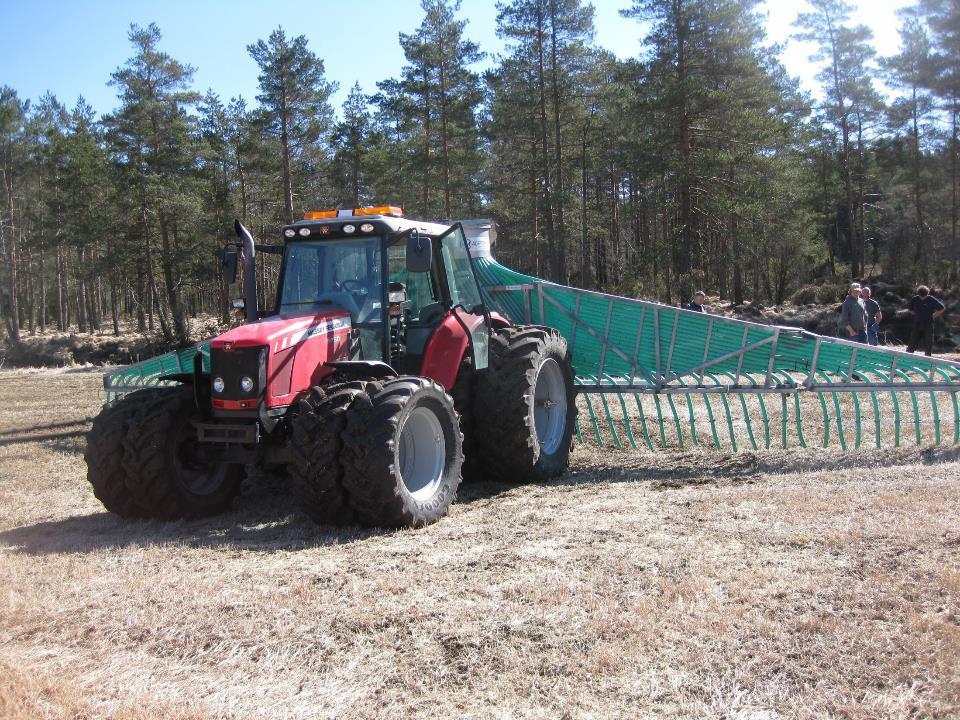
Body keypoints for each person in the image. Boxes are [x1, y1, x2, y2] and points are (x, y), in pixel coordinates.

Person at [906, 285, 945, 356]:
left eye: (924, 296)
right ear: (918, 293)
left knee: (928, 343)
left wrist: (934, 315)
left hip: (928, 323)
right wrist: (916, 314)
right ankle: (907, 357)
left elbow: (942, 308)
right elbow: (910, 309)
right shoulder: (914, 299)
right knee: (912, 341)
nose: (922, 298)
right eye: (921, 296)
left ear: (927, 294)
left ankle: (928, 359)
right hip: (917, 323)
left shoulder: (931, 299)